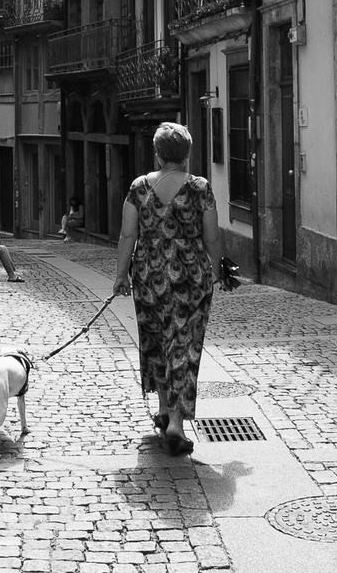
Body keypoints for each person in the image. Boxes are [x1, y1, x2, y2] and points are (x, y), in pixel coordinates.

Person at [111, 121, 218, 456]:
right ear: (186, 154)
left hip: (149, 277)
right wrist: (215, 270)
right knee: (184, 347)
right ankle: (175, 423)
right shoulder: (200, 188)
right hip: (192, 279)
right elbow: (211, 236)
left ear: (158, 153)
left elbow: (128, 235)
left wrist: (119, 276)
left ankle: (162, 410)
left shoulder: (139, 187)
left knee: (156, 341)